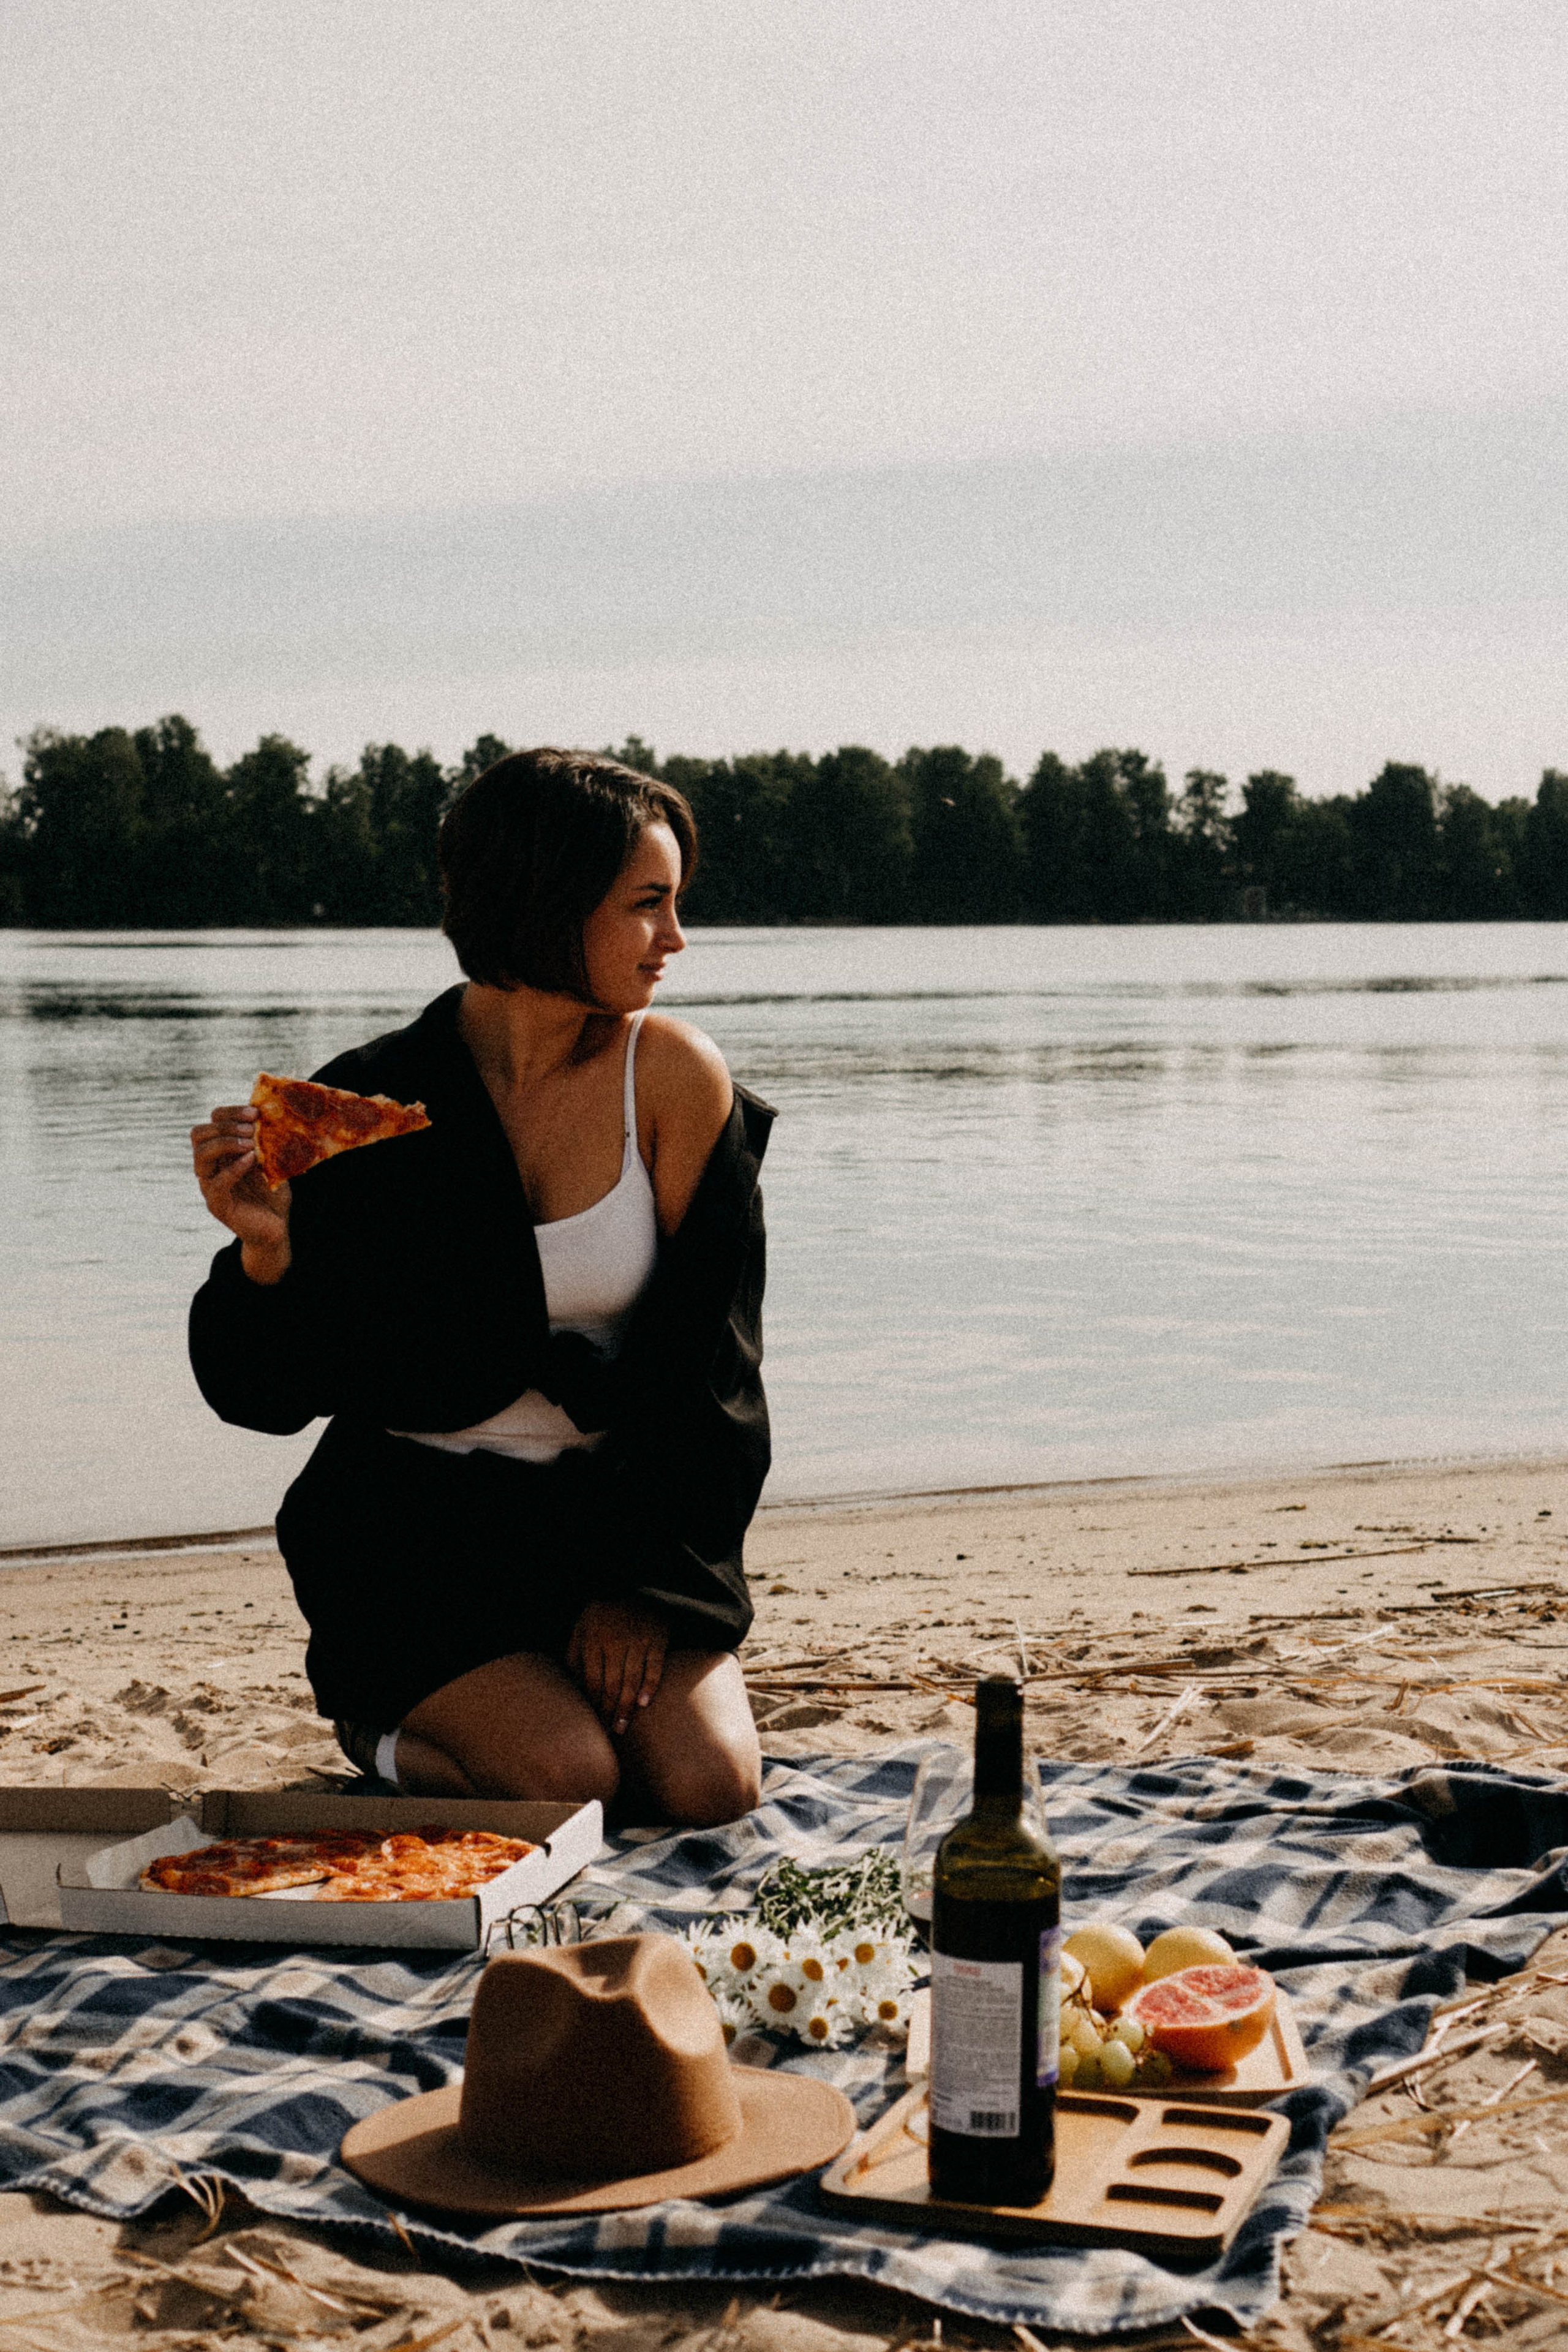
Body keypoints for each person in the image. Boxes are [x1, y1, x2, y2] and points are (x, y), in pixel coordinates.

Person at [187, 748, 769, 1826]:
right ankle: (383, 1732)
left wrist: (645, 1588)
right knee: (571, 1782)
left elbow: (714, 1371)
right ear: (548, 904)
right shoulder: (365, 1102)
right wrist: (266, 1256)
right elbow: (263, 1397)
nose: (676, 940)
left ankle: (552, 1696)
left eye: (675, 904)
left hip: (618, 1518)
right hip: (418, 1538)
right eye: (648, 905)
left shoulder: (678, 1078)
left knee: (708, 1786)